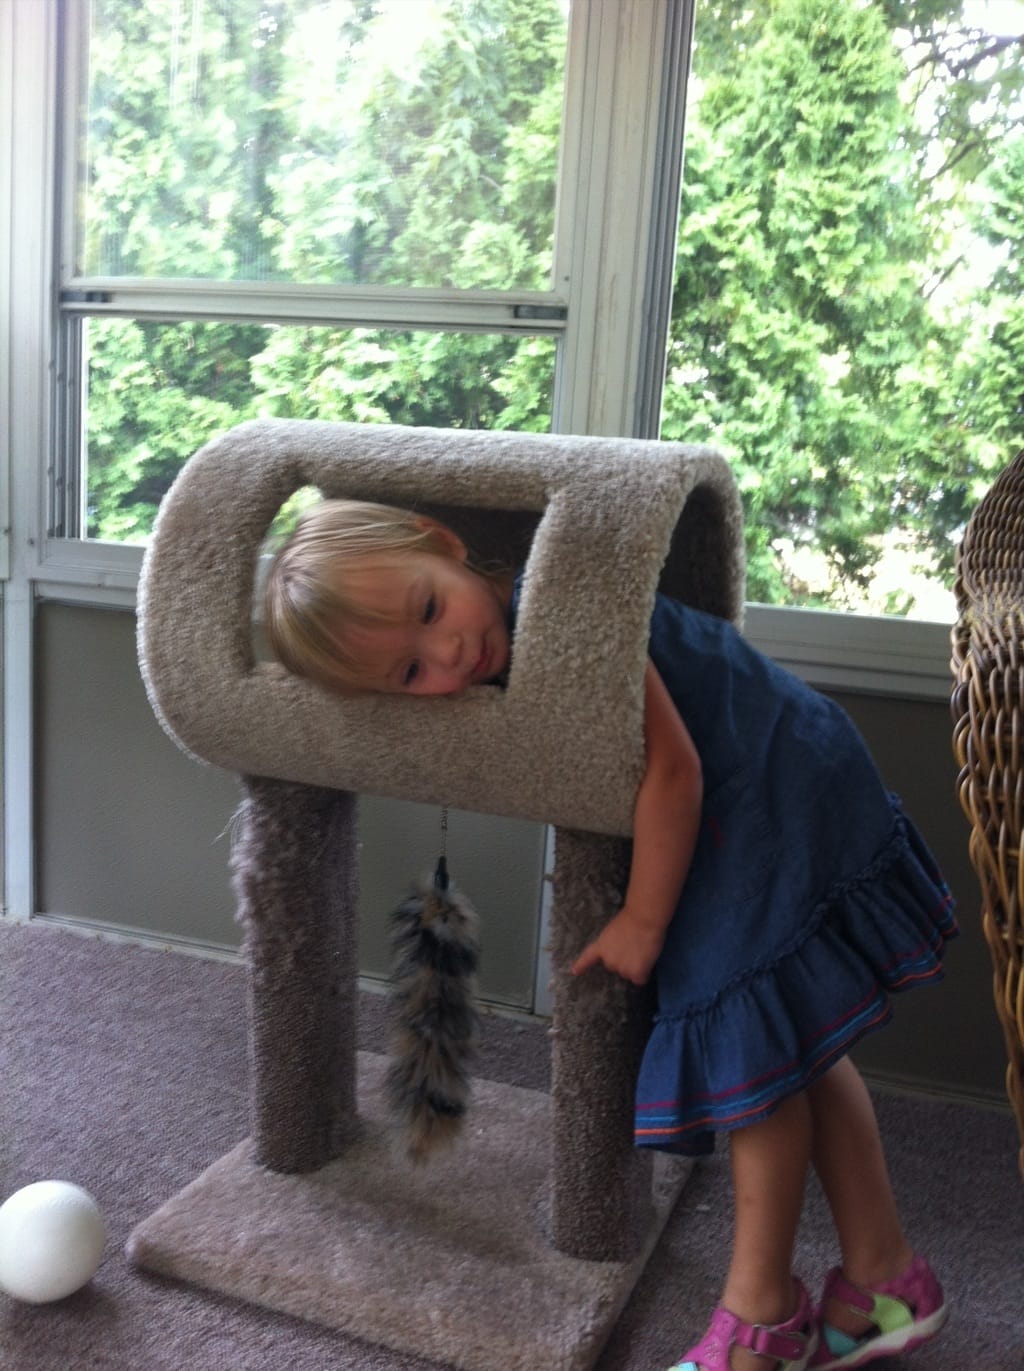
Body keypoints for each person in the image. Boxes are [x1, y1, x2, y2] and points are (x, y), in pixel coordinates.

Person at [266, 497, 956, 1371]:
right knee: (802, 1052)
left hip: (765, 794)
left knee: (755, 1072)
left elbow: (674, 773)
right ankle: (885, 1279)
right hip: (785, 767)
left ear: (445, 544)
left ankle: (764, 1318)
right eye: (409, 671)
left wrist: (642, 921)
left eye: (431, 608)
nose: (448, 653)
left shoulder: (563, 615)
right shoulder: (505, 641)